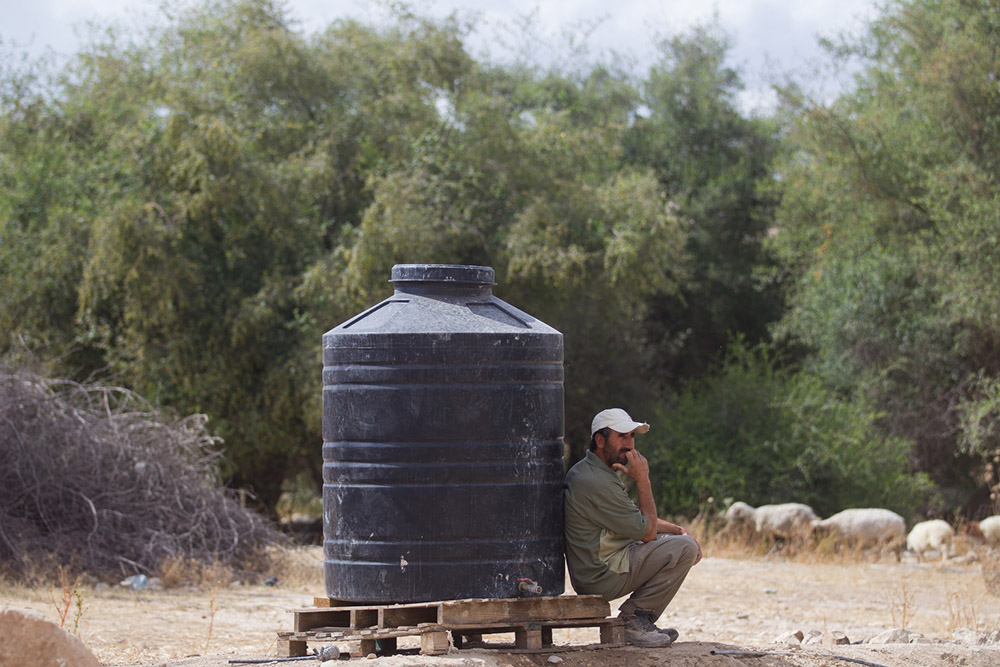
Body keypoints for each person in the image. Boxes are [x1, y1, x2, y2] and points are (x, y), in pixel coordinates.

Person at [563, 408, 702, 648]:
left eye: (632, 437)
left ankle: (638, 620)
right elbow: (647, 531)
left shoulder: (595, 471)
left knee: (681, 541)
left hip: (606, 564)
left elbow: (634, 518)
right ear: (600, 439)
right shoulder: (594, 481)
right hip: (602, 574)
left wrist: (677, 530)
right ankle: (634, 621)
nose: (629, 444)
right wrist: (643, 480)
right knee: (684, 549)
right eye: (622, 437)